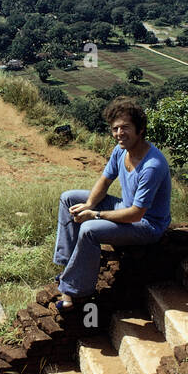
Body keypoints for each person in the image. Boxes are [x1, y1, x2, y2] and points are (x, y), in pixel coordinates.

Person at [53, 96, 170, 311]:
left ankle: (73, 291)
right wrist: (89, 204)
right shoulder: (121, 150)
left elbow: (136, 214)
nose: (119, 133)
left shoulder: (152, 165)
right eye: (115, 128)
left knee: (89, 229)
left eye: (125, 128)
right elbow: (105, 181)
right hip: (125, 207)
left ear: (140, 129)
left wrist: (95, 215)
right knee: (68, 197)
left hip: (147, 225)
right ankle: (68, 265)